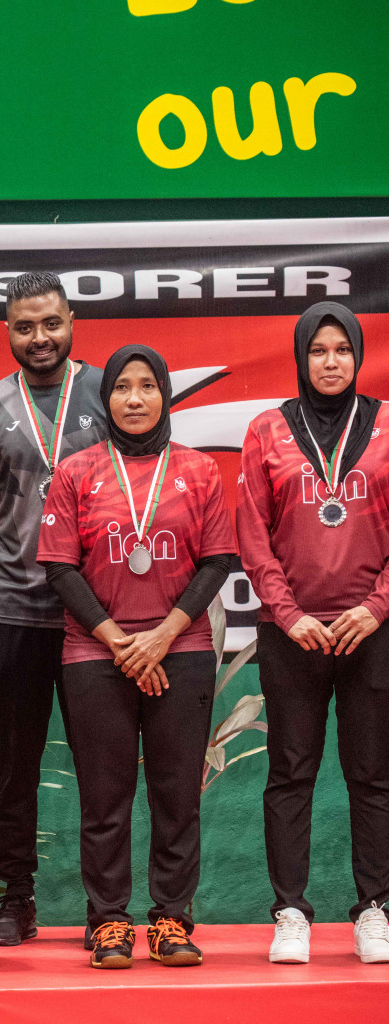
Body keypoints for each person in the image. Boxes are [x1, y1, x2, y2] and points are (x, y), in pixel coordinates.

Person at [38, 344, 236, 969]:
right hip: (95, 653)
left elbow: (216, 564)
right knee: (105, 795)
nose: (134, 398)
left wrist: (161, 636)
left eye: (147, 386)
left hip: (183, 649)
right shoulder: (76, 471)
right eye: (122, 387)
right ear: (107, 398)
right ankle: (109, 922)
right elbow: (60, 569)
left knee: (178, 793)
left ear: (164, 395)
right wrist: (117, 639)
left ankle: (172, 920)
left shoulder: (200, 471)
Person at [237, 302, 389, 965]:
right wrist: (288, 613)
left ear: (357, 356)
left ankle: (375, 910)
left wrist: (377, 607)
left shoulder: (387, 424)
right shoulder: (267, 429)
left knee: (374, 776)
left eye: (342, 350)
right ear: (301, 357)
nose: (330, 361)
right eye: (318, 350)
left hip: (373, 631)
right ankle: (291, 912)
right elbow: (252, 533)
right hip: (289, 632)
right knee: (290, 773)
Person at [0, 271, 105, 945]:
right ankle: (16, 898)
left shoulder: (110, 390)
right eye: (25, 326)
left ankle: (105, 908)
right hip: (12, 607)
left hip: (96, 616)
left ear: (71, 319)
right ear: (8, 332)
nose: (40, 337)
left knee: (100, 766)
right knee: (16, 767)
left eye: (51, 323)